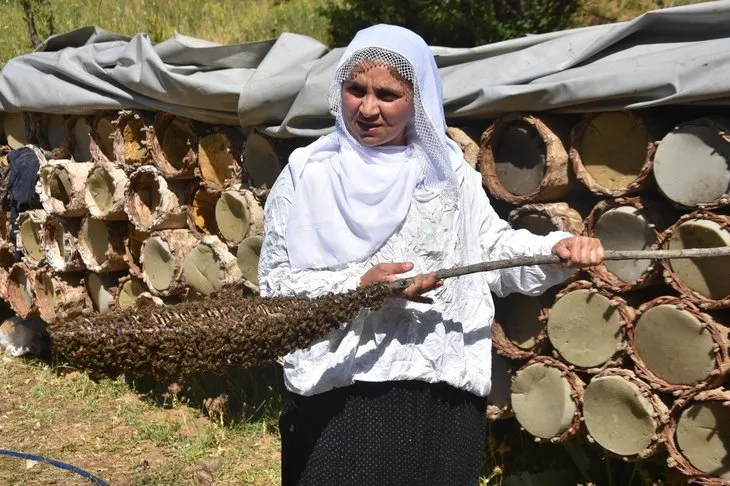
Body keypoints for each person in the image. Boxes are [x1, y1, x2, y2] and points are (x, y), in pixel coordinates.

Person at [258, 24, 604, 486]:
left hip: (436, 388)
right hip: (341, 388)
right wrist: (360, 289)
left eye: (387, 94)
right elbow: (277, 287)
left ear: (417, 97)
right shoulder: (307, 175)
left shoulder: (445, 175)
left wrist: (553, 249)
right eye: (354, 89)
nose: (367, 108)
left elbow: (492, 249)